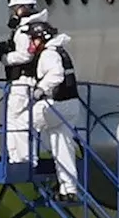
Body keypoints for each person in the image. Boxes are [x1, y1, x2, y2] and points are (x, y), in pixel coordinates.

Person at [0, 0, 49, 166]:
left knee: (15, 120)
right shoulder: (36, 27)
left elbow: (25, 55)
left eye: (15, 8)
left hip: (22, 82)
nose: (14, 13)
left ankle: (20, 158)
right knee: (23, 120)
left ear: (22, 9)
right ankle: (25, 157)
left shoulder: (24, 31)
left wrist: (5, 58)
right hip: (30, 81)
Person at [26, 21, 82, 202]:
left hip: (57, 105)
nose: (31, 43)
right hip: (72, 104)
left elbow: (56, 74)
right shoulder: (60, 51)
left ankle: (25, 159)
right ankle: (69, 189)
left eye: (33, 39)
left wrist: (40, 88)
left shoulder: (49, 54)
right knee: (62, 146)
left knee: (22, 121)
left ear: (43, 39)